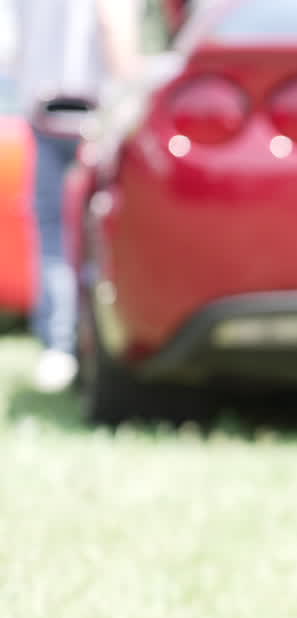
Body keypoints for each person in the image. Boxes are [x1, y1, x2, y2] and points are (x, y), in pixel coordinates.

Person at [11, 0, 138, 392]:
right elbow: (112, 23)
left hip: (43, 108)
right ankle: (93, 340)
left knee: (53, 231)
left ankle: (59, 345)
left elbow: (9, 43)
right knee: (102, 231)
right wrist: (132, 90)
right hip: (98, 111)